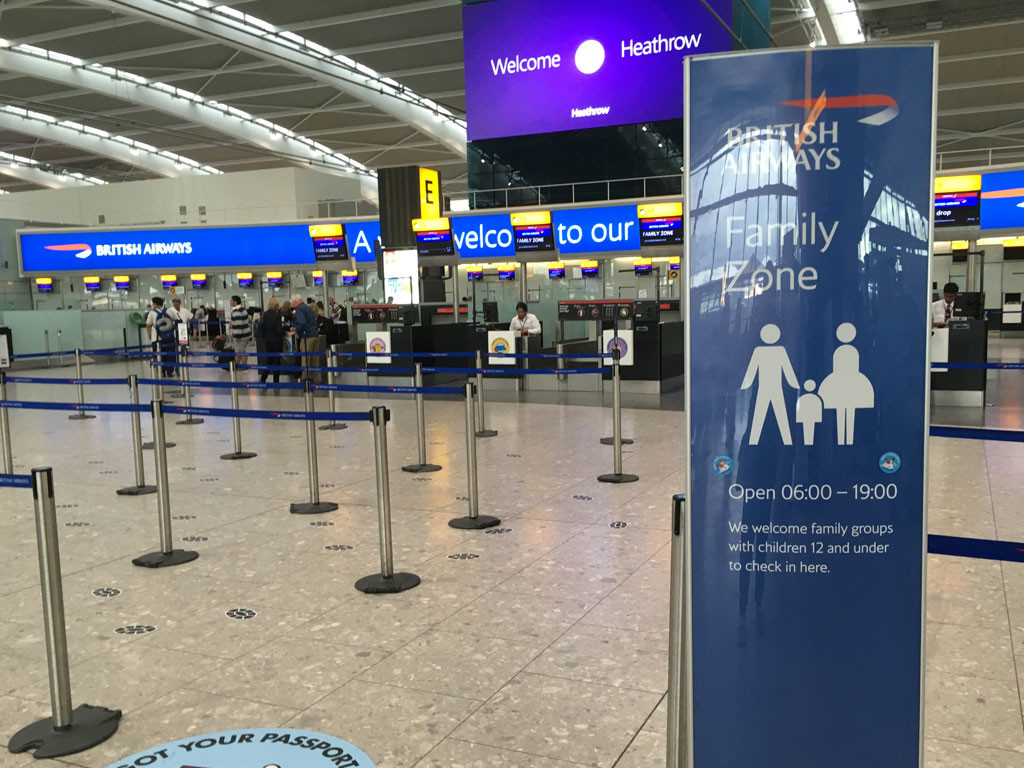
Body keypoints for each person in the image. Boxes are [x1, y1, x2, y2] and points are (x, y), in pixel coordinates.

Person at [145, 297, 180, 378]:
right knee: (170, 355)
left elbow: (148, 325)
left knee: (158, 355)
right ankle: (170, 371)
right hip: (170, 337)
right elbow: (178, 321)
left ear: (155, 304)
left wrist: (150, 336)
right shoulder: (170, 311)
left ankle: (162, 371)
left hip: (157, 339)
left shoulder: (152, 313)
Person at [290, 294, 322, 383]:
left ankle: (306, 382)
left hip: (307, 337)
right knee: (315, 360)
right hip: (315, 335)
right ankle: (315, 381)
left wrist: (296, 331)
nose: (292, 304)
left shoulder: (299, 309)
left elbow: (302, 323)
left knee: (306, 360)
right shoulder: (307, 308)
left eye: (292, 303)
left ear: (295, 302)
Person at [258, 298, 285, 385]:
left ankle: (263, 378)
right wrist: (285, 333)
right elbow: (279, 330)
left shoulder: (264, 314)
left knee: (269, 360)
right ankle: (276, 381)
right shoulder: (277, 315)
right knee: (277, 361)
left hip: (267, 341)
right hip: (277, 342)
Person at [795, 380, 823, 446]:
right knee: (808, 431)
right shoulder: (815, 398)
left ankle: (808, 443)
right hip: (809, 418)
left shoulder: (803, 398)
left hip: (807, 418)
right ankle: (808, 443)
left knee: (808, 431)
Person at [229, 295, 253, 366]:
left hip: (241, 336)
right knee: (242, 351)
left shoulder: (237, 311)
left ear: (235, 302)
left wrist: (238, 336)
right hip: (245, 334)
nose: (230, 302)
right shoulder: (242, 309)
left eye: (231, 300)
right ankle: (243, 366)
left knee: (239, 352)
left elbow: (239, 324)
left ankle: (236, 367)